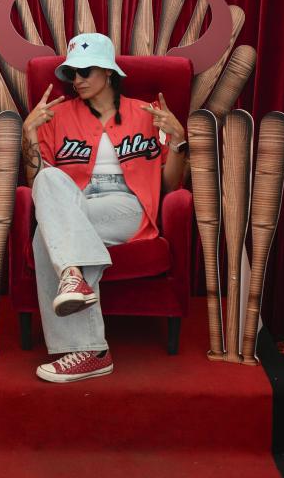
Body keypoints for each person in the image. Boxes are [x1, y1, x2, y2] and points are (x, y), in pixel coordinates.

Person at [21, 32, 189, 383]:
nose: (77, 80)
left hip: (127, 208)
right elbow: (39, 181)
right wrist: (29, 137)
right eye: (73, 73)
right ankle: (91, 345)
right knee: (47, 184)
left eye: (86, 71)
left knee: (47, 239)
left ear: (109, 72)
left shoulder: (147, 113)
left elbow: (171, 185)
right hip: (73, 204)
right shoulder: (56, 115)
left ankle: (86, 344)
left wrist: (177, 141)